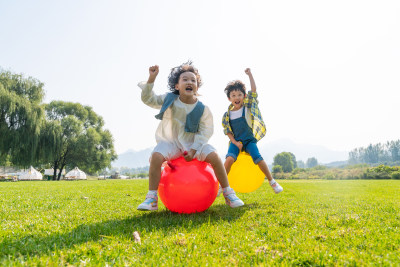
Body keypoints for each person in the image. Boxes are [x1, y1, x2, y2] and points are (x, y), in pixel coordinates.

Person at [137, 61, 244, 211]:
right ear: (177, 86)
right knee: (156, 155)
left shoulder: (202, 109)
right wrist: (151, 79)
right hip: (172, 144)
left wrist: (194, 149)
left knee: (214, 155)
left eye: (193, 80)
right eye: (185, 79)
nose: (189, 82)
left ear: (197, 87)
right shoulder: (169, 100)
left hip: (194, 144)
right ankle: (152, 198)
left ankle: (227, 192)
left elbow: (206, 131)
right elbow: (148, 99)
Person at [221, 68, 283, 195]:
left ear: (243, 96)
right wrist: (235, 143)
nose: (236, 97)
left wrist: (250, 75)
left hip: (249, 140)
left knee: (258, 158)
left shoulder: (247, 107)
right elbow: (228, 131)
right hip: (235, 142)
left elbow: (253, 91)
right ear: (229, 99)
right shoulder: (227, 115)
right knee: (229, 160)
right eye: (233, 95)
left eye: (239, 95)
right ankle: (221, 186)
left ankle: (272, 182)